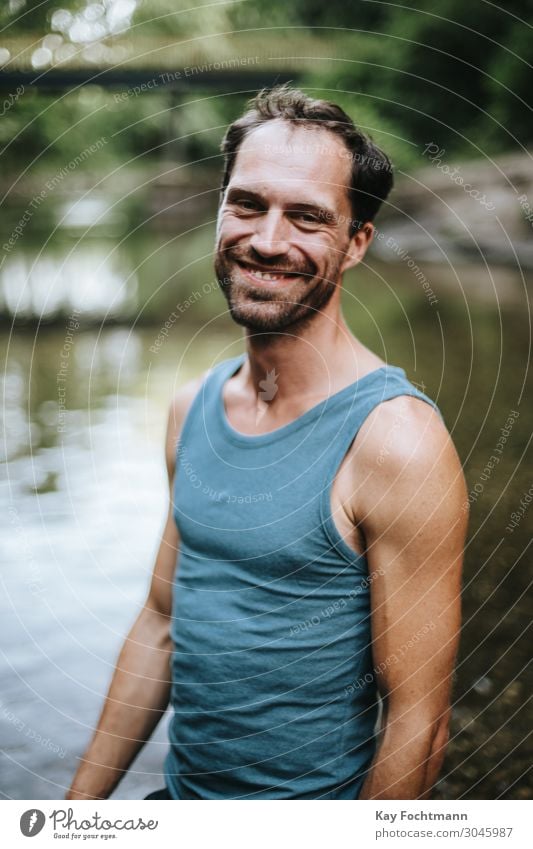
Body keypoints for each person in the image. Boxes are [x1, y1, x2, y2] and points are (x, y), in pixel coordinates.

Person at [66, 85, 468, 801]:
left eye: (307, 217)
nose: (267, 240)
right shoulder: (190, 409)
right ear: (219, 211)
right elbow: (161, 624)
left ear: (355, 244)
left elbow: (418, 719)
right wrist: (74, 816)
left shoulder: (394, 441)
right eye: (247, 203)